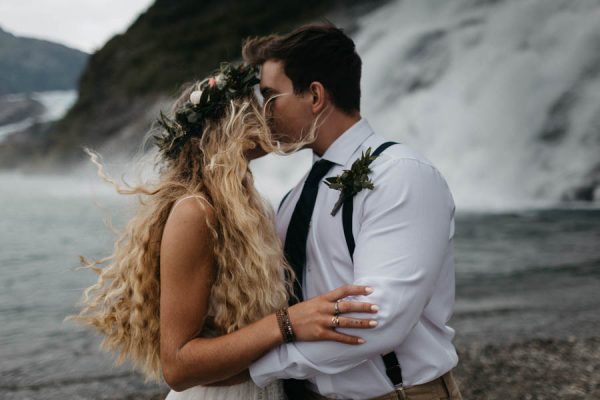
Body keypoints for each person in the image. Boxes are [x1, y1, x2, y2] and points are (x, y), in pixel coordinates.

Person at [67, 62, 380, 400]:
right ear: (232, 121)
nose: (271, 113)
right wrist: (287, 323)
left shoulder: (252, 206)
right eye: (261, 104)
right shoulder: (195, 212)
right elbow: (177, 367)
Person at [242, 23, 463, 399]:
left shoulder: (401, 175)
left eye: (269, 96)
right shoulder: (293, 198)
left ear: (314, 95)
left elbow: (376, 320)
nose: (263, 113)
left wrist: (255, 366)